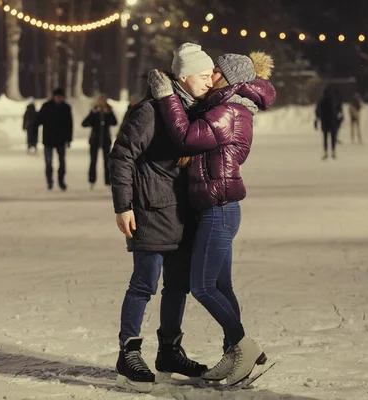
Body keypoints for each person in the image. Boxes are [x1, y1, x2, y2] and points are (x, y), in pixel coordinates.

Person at [147, 50, 276, 386]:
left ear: (230, 77)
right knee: (221, 286)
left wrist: (165, 97)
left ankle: (244, 346)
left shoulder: (229, 111)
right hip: (218, 207)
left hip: (218, 209)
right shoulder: (225, 107)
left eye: (215, 71)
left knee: (202, 286)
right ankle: (235, 354)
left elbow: (187, 137)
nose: (210, 75)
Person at [108, 42, 215, 392]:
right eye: (202, 76)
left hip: (183, 212)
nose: (209, 82)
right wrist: (123, 206)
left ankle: (169, 350)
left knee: (178, 286)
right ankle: (129, 352)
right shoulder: (151, 111)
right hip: (150, 210)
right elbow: (121, 156)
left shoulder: (192, 111)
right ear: (182, 77)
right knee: (144, 283)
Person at [35, 88, 73, 191]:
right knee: (48, 162)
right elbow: (38, 120)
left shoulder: (66, 108)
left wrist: (69, 139)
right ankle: (50, 181)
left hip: (61, 139)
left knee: (62, 162)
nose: (59, 99)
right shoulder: (46, 106)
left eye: (60, 97)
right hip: (48, 139)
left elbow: (69, 124)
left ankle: (61, 181)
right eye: (57, 97)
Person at [82, 94, 118, 190]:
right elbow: (84, 123)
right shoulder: (94, 111)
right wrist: (93, 114)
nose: (101, 102)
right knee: (93, 161)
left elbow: (114, 122)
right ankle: (92, 180)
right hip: (94, 140)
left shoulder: (109, 111)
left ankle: (107, 181)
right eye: (100, 100)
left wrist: (108, 113)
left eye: (103, 100)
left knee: (107, 161)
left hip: (106, 140)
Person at [315, 85, 343, 160]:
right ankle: (333, 151)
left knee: (325, 137)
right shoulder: (334, 100)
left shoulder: (322, 100)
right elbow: (338, 109)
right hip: (332, 120)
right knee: (333, 137)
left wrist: (317, 119)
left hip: (325, 120)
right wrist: (339, 117)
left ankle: (326, 152)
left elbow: (318, 110)